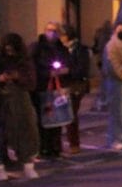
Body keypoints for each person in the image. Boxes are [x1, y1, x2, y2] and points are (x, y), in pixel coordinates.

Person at [0, 32, 41, 181]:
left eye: (11, 49)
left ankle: (27, 165)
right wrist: (0, 79)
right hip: (3, 100)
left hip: (21, 101)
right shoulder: (0, 61)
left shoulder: (24, 61)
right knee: (0, 135)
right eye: (6, 49)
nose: (9, 52)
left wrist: (18, 77)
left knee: (26, 131)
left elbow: (32, 83)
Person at [30, 22, 71, 159]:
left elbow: (69, 63)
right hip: (42, 88)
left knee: (57, 118)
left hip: (58, 88)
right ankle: (42, 148)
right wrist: (48, 73)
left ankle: (55, 148)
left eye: (55, 31)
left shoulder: (62, 49)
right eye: (49, 30)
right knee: (43, 119)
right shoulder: (37, 48)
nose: (52, 33)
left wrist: (64, 70)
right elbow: (32, 66)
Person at [59, 24, 92, 154]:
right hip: (61, 84)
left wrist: (68, 71)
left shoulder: (80, 49)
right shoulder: (59, 48)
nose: (60, 37)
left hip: (75, 85)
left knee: (71, 114)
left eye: (62, 35)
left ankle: (74, 143)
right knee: (60, 115)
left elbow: (82, 69)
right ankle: (59, 143)